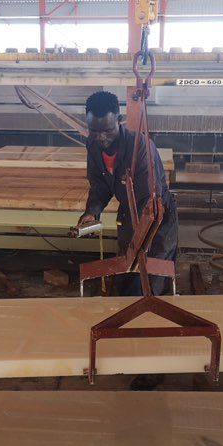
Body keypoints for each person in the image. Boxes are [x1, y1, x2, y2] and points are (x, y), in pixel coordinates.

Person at [78, 90, 178, 296]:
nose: (101, 138)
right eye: (94, 131)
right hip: (128, 212)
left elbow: (147, 198)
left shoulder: (139, 147)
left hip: (155, 215)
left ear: (119, 120)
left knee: (151, 275)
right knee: (127, 272)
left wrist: (138, 239)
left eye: (107, 130)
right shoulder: (93, 145)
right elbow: (99, 185)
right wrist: (92, 212)